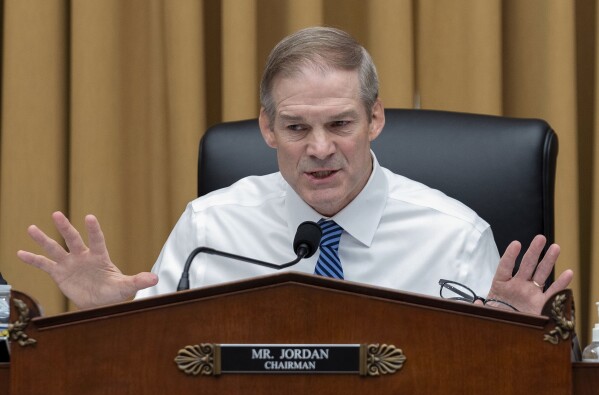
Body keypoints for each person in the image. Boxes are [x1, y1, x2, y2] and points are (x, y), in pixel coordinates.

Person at [16, 27, 572, 314]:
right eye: (298, 128)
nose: (321, 149)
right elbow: (157, 348)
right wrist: (110, 315)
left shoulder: (453, 236)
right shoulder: (213, 228)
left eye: (341, 124)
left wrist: (512, 335)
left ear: (376, 118)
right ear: (267, 129)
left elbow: (490, 373)